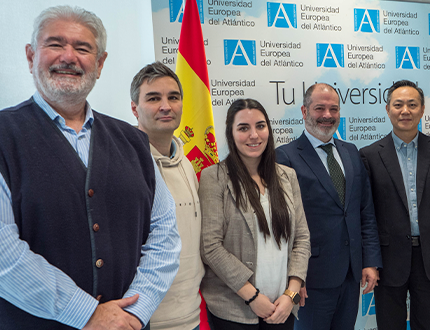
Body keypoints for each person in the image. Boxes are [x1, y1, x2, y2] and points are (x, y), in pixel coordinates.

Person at [0, 6, 180, 330]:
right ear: (31, 56)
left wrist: (136, 311)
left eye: (83, 48)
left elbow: (165, 236)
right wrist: (89, 314)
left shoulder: (134, 142)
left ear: (99, 64)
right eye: (55, 44)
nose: (69, 57)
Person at [276, 83, 382, 330]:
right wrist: (294, 278)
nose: (327, 115)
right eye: (319, 108)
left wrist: (370, 261)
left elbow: (364, 211)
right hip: (310, 280)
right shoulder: (285, 157)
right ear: (304, 111)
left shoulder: (351, 152)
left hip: (351, 274)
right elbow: (283, 227)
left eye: (333, 109)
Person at [199, 99, 310, 330]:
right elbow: (210, 246)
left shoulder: (287, 176)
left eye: (260, 126)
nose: (254, 135)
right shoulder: (214, 177)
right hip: (234, 310)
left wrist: (291, 294)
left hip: (282, 307)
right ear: (231, 133)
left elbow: (301, 238)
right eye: (243, 128)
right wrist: (252, 297)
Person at [359, 80, 430, 330]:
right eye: (398, 104)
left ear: (422, 109)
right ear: (387, 109)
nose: (405, 110)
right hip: (388, 258)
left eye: (412, 104)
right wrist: (370, 259)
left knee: (427, 325)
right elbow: (367, 214)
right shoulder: (369, 155)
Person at [130, 62, 203, 330]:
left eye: (173, 97)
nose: (166, 106)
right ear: (134, 108)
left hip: (191, 314)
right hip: (147, 319)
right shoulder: (123, 165)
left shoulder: (186, 163)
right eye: (153, 98)